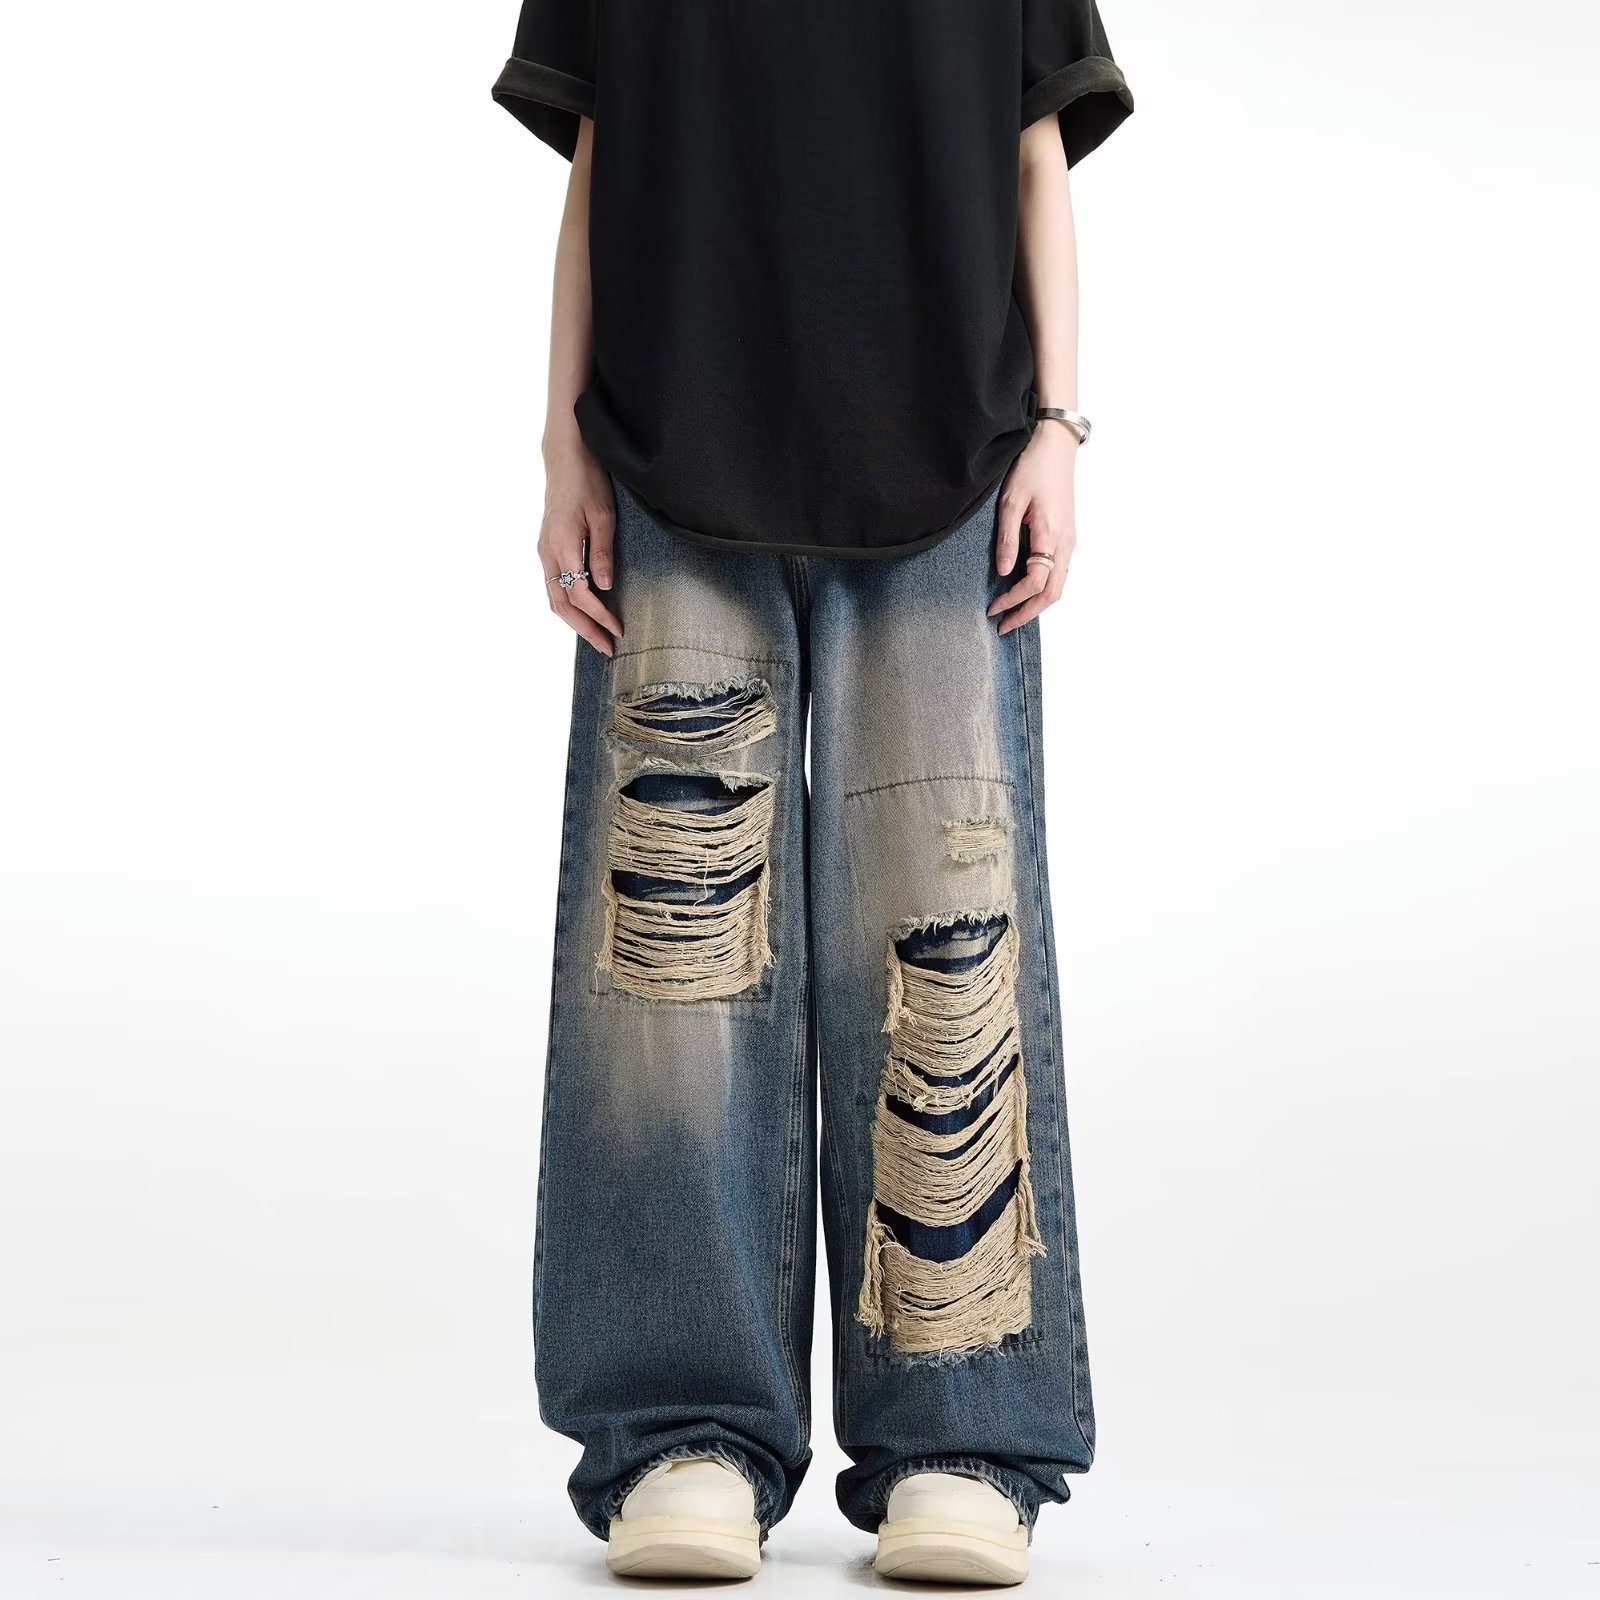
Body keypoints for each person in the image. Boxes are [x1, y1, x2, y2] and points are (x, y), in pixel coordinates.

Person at [491, 1, 1132, 1584]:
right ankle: (681, 1430)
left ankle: (963, 1438)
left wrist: (1062, 426)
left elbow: (1036, 149)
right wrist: (561, 444)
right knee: (673, 983)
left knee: (943, 948)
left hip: (950, 467)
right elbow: (596, 164)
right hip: (670, 459)